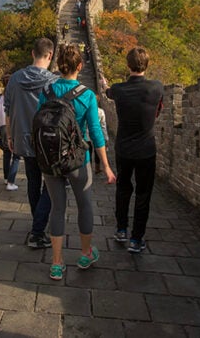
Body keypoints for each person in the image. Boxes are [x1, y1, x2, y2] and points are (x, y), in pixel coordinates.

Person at [37, 44, 115, 280]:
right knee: (85, 206)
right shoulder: (88, 95)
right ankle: (85, 254)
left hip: (50, 159)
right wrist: (107, 166)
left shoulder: (47, 91)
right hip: (78, 161)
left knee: (57, 208)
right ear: (80, 66)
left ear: (58, 66)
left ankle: (57, 263)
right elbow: (95, 132)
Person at [106, 47, 164, 253]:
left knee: (123, 189)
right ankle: (136, 239)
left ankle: (121, 229)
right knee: (143, 193)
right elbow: (158, 110)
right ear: (146, 65)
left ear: (127, 65)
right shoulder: (157, 88)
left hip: (123, 148)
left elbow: (108, 92)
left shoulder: (118, 89)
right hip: (146, 149)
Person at [4, 38, 59, 248]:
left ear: (32, 53)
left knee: (33, 182)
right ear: (50, 55)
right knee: (52, 185)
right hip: (47, 141)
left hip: (24, 139)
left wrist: (10, 137)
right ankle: (37, 230)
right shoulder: (53, 82)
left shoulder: (15, 79)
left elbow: (7, 111)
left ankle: (37, 224)